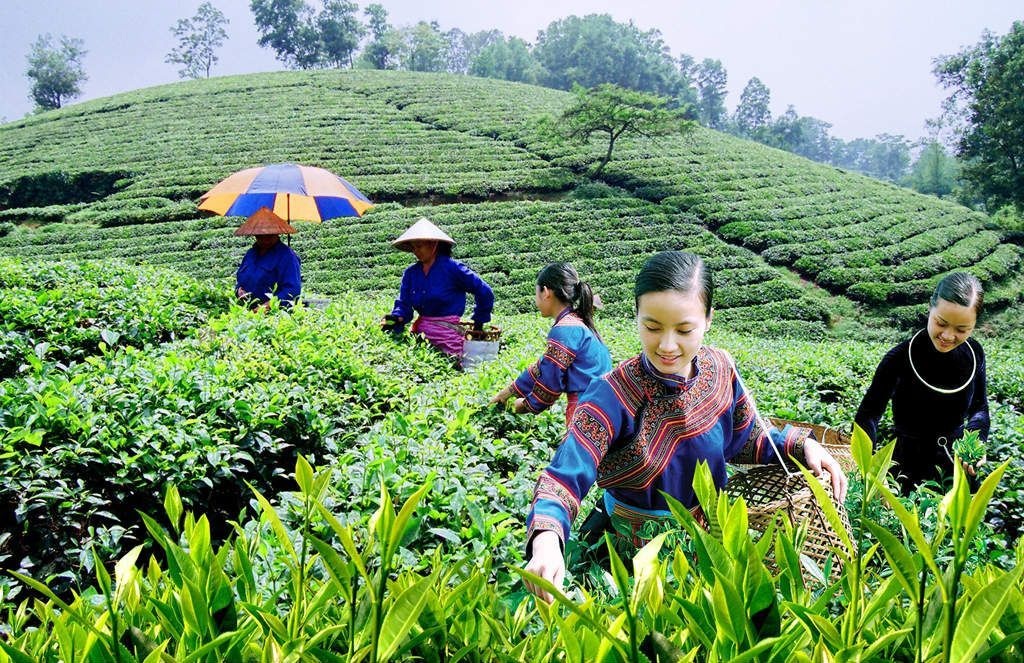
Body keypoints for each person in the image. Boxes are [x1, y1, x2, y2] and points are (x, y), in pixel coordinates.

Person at [523, 250, 849, 603]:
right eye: (651, 327)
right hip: (624, 561)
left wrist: (802, 445)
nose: (666, 345)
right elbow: (565, 475)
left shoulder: (721, 369)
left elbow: (747, 439)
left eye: (684, 329)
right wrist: (546, 542)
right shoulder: (611, 395)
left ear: (708, 319)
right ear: (635, 315)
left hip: (708, 550)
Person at [854, 272, 989, 494]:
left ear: (974, 325)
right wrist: (870, 469)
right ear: (930, 308)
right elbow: (868, 415)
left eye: (961, 330)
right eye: (941, 323)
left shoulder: (974, 354)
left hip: (956, 469)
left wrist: (977, 441)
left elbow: (979, 408)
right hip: (905, 471)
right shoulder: (898, 358)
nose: (948, 335)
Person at [491, 263, 612, 425]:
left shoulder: (565, 329)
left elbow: (550, 383)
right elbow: (544, 365)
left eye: (536, 293)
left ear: (546, 292)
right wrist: (507, 393)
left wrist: (524, 405)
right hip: (602, 409)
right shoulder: (576, 324)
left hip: (586, 414)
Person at [384, 217, 494, 357]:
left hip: (448, 337)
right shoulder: (411, 273)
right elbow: (404, 303)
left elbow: (484, 291)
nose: (415, 251)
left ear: (433, 245)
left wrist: (479, 322)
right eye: (413, 247)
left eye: (419, 246)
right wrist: (396, 317)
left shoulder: (453, 269)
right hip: (421, 336)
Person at [234, 207, 302, 310]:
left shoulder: (287, 256)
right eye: (260, 236)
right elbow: (240, 279)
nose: (265, 240)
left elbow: (292, 290)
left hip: (274, 316)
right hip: (247, 312)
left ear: (277, 233)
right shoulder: (250, 254)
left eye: (269, 236)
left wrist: (266, 307)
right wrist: (239, 290)